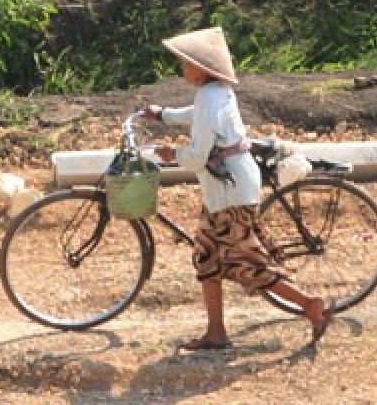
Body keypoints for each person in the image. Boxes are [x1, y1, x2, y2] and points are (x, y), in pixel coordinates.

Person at [142, 26, 331, 351]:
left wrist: (172, 154)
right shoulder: (217, 92)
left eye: (187, 64)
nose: (183, 69)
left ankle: (310, 305)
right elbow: (196, 116)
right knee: (207, 258)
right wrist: (163, 115)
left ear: (203, 69)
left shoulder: (208, 98)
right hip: (227, 188)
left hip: (229, 194)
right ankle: (216, 332)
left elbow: (198, 155)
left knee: (248, 265)